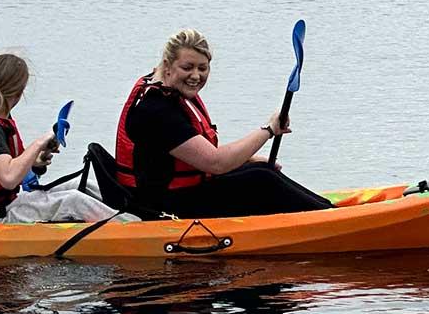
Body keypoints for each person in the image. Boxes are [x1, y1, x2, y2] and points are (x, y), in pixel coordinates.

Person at [114, 27, 332, 220]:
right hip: (162, 207)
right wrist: (269, 129)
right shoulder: (154, 111)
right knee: (261, 180)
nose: (196, 76)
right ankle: (330, 219)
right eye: (187, 67)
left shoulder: (166, 86)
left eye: (203, 68)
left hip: (181, 192)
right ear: (167, 66)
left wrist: (249, 159)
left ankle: (330, 210)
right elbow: (215, 163)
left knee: (261, 169)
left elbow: (195, 152)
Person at [0, 53, 133, 224]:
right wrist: (39, 143)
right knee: (73, 200)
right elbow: (8, 178)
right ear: (19, 92)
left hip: (5, 204)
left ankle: (133, 213)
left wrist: (35, 161)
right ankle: (131, 230)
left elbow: (3, 166)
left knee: (80, 185)